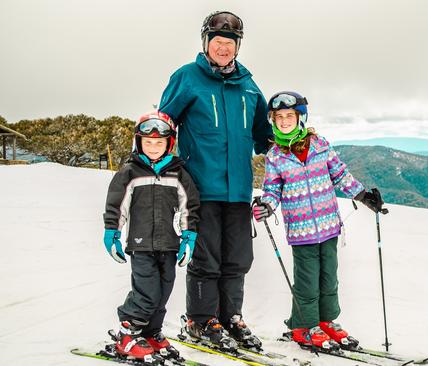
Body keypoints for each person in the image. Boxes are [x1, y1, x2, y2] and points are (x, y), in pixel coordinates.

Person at [158, 10, 273, 350]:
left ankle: (229, 317)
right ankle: (200, 320)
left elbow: (263, 134)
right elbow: (164, 124)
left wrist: (296, 146)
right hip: (200, 187)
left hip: (238, 189)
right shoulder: (187, 78)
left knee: (237, 258)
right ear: (206, 42)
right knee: (206, 258)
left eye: (230, 43)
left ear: (238, 47)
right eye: (218, 41)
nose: (224, 48)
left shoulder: (248, 86)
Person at [252, 91, 387, 349]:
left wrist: (363, 196)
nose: (283, 121)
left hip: (328, 225)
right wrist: (267, 206)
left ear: (300, 117)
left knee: (328, 277)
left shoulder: (320, 145)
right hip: (301, 230)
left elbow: (340, 175)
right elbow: (272, 190)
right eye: (278, 117)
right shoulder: (275, 156)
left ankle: (325, 321)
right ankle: (303, 325)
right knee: (307, 279)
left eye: (289, 116)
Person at [103, 111, 200, 361]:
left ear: (169, 144)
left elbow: (190, 206)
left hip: (169, 244)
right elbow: (117, 204)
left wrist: (188, 237)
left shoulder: (178, 174)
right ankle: (127, 334)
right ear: (139, 142)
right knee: (147, 292)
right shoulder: (130, 173)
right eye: (148, 142)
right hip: (141, 245)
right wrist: (112, 231)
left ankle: (150, 332)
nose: (153, 147)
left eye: (159, 142)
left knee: (163, 292)